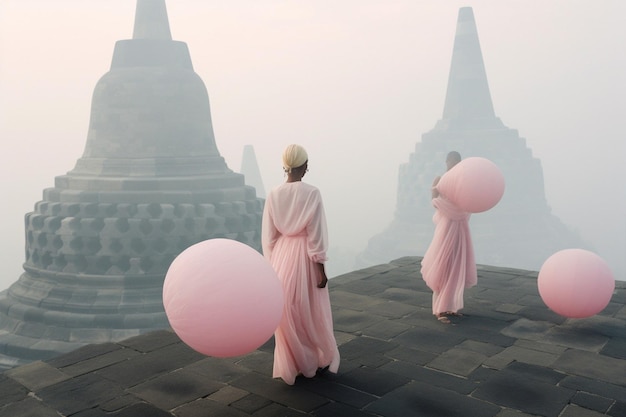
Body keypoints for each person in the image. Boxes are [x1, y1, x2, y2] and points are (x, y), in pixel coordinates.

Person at [262, 144, 340, 385]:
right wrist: (321, 270)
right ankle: (311, 360)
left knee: (287, 312)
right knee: (307, 310)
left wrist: (272, 265)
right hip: (304, 257)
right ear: (303, 166)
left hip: (282, 256)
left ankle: (295, 362)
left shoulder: (274, 193)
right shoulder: (312, 193)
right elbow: (315, 234)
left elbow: (270, 236)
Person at [420, 151, 477, 324]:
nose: (453, 164)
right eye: (451, 161)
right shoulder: (440, 179)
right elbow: (434, 201)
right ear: (447, 162)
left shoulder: (463, 181)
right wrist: (450, 209)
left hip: (460, 225)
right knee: (443, 263)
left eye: (457, 162)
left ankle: (450, 307)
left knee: (456, 263)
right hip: (446, 225)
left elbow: (469, 201)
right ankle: (439, 309)